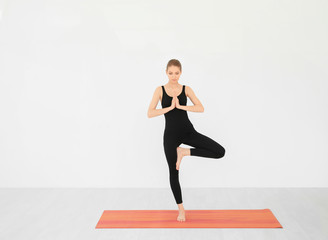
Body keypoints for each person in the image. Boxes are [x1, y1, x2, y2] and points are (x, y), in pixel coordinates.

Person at [147, 59, 226, 222]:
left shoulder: (186, 89)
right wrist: (169, 108)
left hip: (188, 132)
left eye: (176, 73)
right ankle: (181, 209)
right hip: (170, 135)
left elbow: (200, 108)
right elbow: (150, 113)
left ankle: (184, 152)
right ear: (166, 73)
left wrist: (181, 106)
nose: (173, 76)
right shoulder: (160, 90)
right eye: (170, 73)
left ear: (180, 72)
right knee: (173, 172)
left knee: (220, 152)